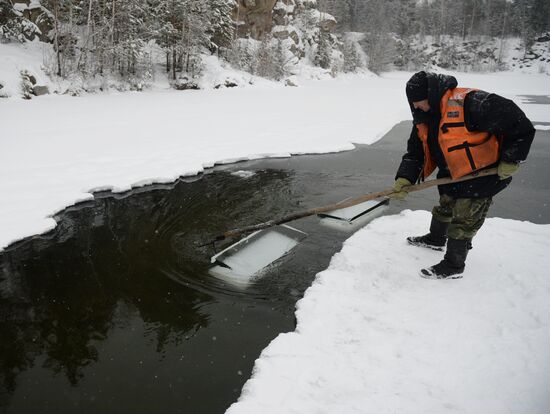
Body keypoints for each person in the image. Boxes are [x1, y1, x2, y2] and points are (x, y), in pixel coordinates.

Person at [391, 71, 535, 280]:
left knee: (464, 219)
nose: (415, 107)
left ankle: (453, 265)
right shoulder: (424, 117)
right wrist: (405, 178)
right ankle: (436, 238)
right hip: (452, 173)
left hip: (481, 173)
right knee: (446, 205)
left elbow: (519, 123)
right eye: (412, 103)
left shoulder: (471, 103)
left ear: (430, 95)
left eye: (419, 101)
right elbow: (415, 153)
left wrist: (512, 158)